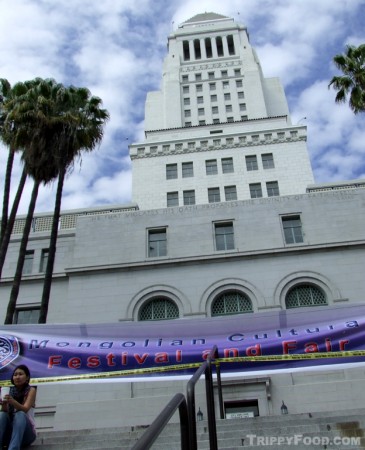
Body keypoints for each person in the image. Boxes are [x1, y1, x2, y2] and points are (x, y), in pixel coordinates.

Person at [0, 365, 37, 449]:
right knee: (2, 415)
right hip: (10, 433)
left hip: (26, 434)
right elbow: (5, 412)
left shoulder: (31, 390)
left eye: (20, 374)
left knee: (20, 414)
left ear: (27, 377)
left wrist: (13, 402)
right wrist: (4, 404)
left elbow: (25, 409)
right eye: (15, 375)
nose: (17, 377)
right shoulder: (9, 390)